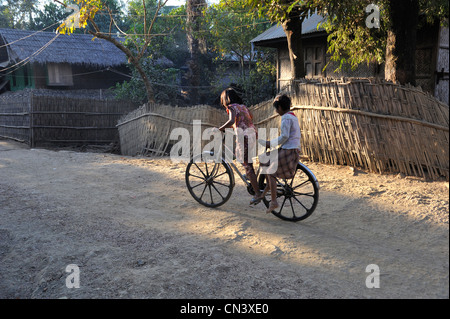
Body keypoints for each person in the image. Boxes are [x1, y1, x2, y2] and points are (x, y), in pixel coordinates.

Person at [217, 88, 262, 205]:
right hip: (252, 134)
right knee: (243, 158)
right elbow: (246, 119)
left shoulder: (231, 107)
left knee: (247, 165)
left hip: (244, 137)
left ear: (225, 99)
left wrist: (220, 129)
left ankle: (257, 194)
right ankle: (250, 177)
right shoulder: (243, 107)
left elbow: (232, 121)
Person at [260, 94, 301, 213]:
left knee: (270, 171)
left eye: (276, 108)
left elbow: (284, 136)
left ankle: (273, 201)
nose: (276, 111)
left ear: (280, 107)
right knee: (264, 159)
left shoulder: (286, 118)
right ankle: (269, 186)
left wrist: (270, 143)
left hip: (288, 151)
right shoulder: (293, 116)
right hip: (290, 149)